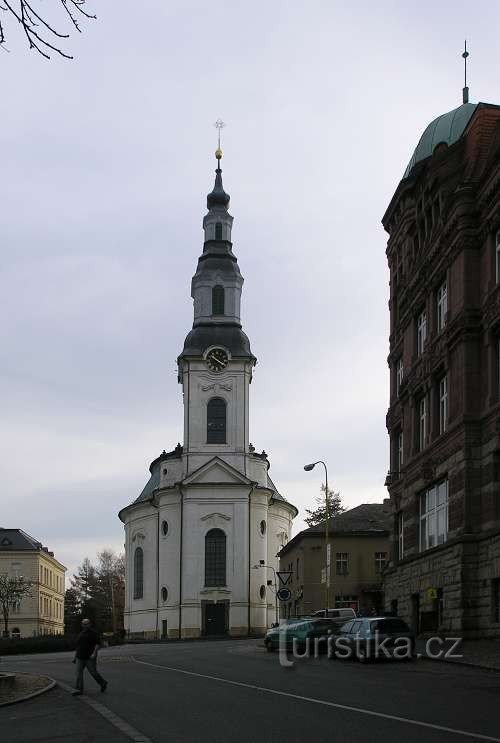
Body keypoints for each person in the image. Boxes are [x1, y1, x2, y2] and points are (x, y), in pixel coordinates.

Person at [72, 618, 108, 695]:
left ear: (90, 624)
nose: (85, 625)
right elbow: (78, 646)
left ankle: (103, 683)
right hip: (80, 657)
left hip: (89, 657)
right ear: (82, 625)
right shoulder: (80, 634)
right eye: (84, 624)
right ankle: (79, 689)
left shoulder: (93, 633)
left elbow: (98, 644)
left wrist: (94, 653)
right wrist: (75, 657)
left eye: (87, 624)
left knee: (93, 672)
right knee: (78, 673)